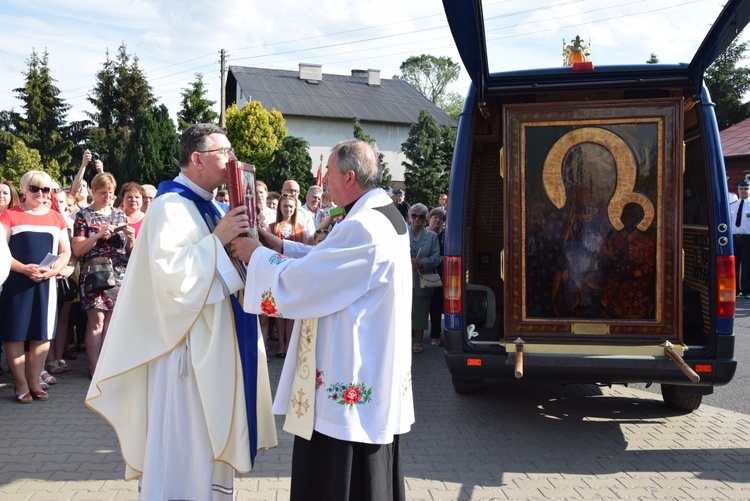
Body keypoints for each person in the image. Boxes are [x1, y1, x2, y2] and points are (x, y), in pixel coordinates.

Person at [85, 124, 276, 499]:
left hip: (214, 342)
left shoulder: (211, 204)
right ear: (197, 158)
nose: (232, 159)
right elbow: (171, 277)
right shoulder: (170, 206)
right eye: (225, 151)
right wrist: (219, 239)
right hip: (183, 350)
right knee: (185, 441)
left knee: (205, 439)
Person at [230, 139, 414, 501]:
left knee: (340, 479)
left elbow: (311, 281)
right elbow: (329, 260)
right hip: (370, 364)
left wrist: (258, 258)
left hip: (350, 372)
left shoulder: (364, 226)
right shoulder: (378, 213)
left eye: (328, 172)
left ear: (348, 176)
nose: (324, 180)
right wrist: (281, 247)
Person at [0, 171, 72, 403]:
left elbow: (65, 251)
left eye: (45, 189)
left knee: (42, 333)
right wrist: (23, 269)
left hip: (46, 283)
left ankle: (34, 382)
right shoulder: (8, 215)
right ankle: (20, 384)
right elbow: (2, 252)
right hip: (16, 282)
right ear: (23, 189)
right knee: (15, 333)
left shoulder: (56, 217)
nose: (41, 193)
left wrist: (53, 271)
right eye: (35, 188)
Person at [72, 172, 133, 376]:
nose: (107, 197)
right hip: (94, 273)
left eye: (111, 192)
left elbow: (128, 249)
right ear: (93, 191)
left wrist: (131, 238)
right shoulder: (84, 215)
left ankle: (108, 366)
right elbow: (78, 250)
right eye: (102, 193)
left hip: (118, 272)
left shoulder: (119, 214)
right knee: (96, 322)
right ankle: (95, 367)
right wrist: (98, 235)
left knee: (111, 324)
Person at [269, 193, 307, 358]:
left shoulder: (300, 228)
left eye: (291, 206)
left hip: (294, 272)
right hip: (277, 272)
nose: (288, 209)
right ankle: (281, 345)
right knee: (279, 309)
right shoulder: (272, 227)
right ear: (280, 207)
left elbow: (305, 249)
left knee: (291, 310)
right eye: (285, 206)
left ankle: (290, 345)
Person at [408, 203, 441, 353]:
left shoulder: (432, 237)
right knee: (405, 311)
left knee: (420, 312)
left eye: (420, 216)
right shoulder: (401, 234)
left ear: (425, 219)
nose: (416, 219)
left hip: (423, 279)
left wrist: (422, 262)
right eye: (414, 215)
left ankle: (417, 342)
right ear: (409, 217)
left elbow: (436, 258)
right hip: (405, 278)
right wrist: (409, 262)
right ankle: (404, 340)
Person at [426, 207, 446, 346]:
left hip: (439, 274)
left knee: (436, 305)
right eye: (435, 217)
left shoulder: (445, 235)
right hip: (422, 271)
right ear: (429, 218)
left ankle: (435, 334)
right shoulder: (422, 234)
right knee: (419, 306)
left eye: (440, 218)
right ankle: (416, 336)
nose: (437, 220)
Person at [730, 179, 750, 297]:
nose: (743, 191)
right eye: (741, 189)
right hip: (734, 238)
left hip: (747, 239)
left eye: (746, 189)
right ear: (738, 190)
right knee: (733, 264)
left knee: (747, 265)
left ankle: (746, 290)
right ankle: (735, 290)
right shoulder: (732, 205)